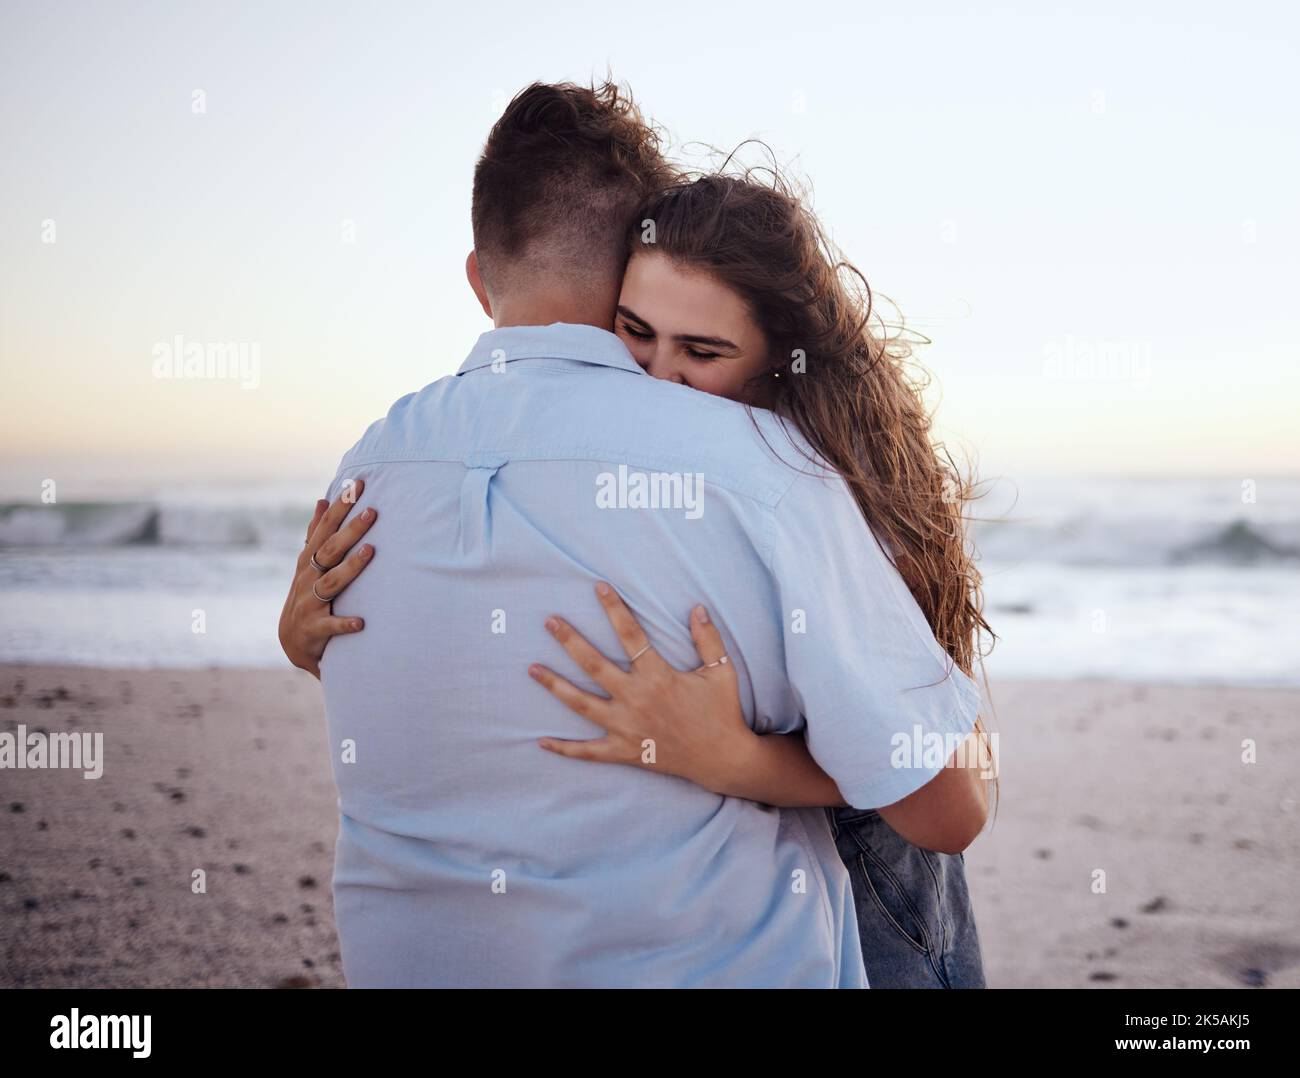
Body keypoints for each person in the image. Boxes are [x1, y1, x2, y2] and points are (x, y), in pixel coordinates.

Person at [281, 80, 988, 987]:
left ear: (476, 275)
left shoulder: (366, 470)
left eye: (700, 352)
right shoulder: (762, 466)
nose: (662, 375)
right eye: (641, 334)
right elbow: (947, 803)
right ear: (627, 269)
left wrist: (304, 645)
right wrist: (740, 759)